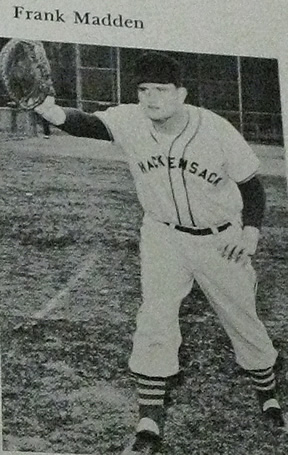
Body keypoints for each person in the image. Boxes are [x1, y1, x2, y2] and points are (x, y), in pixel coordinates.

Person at [34, 52, 286, 454]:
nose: (151, 99)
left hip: (219, 238)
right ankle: (150, 417)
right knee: (155, 315)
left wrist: (251, 231)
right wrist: (46, 108)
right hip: (163, 236)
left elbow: (251, 186)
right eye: (144, 90)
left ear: (181, 94)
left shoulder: (215, 129)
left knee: (242, 316)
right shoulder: (132, 119)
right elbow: (87, 123)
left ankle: (268, 394)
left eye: (161, 91)